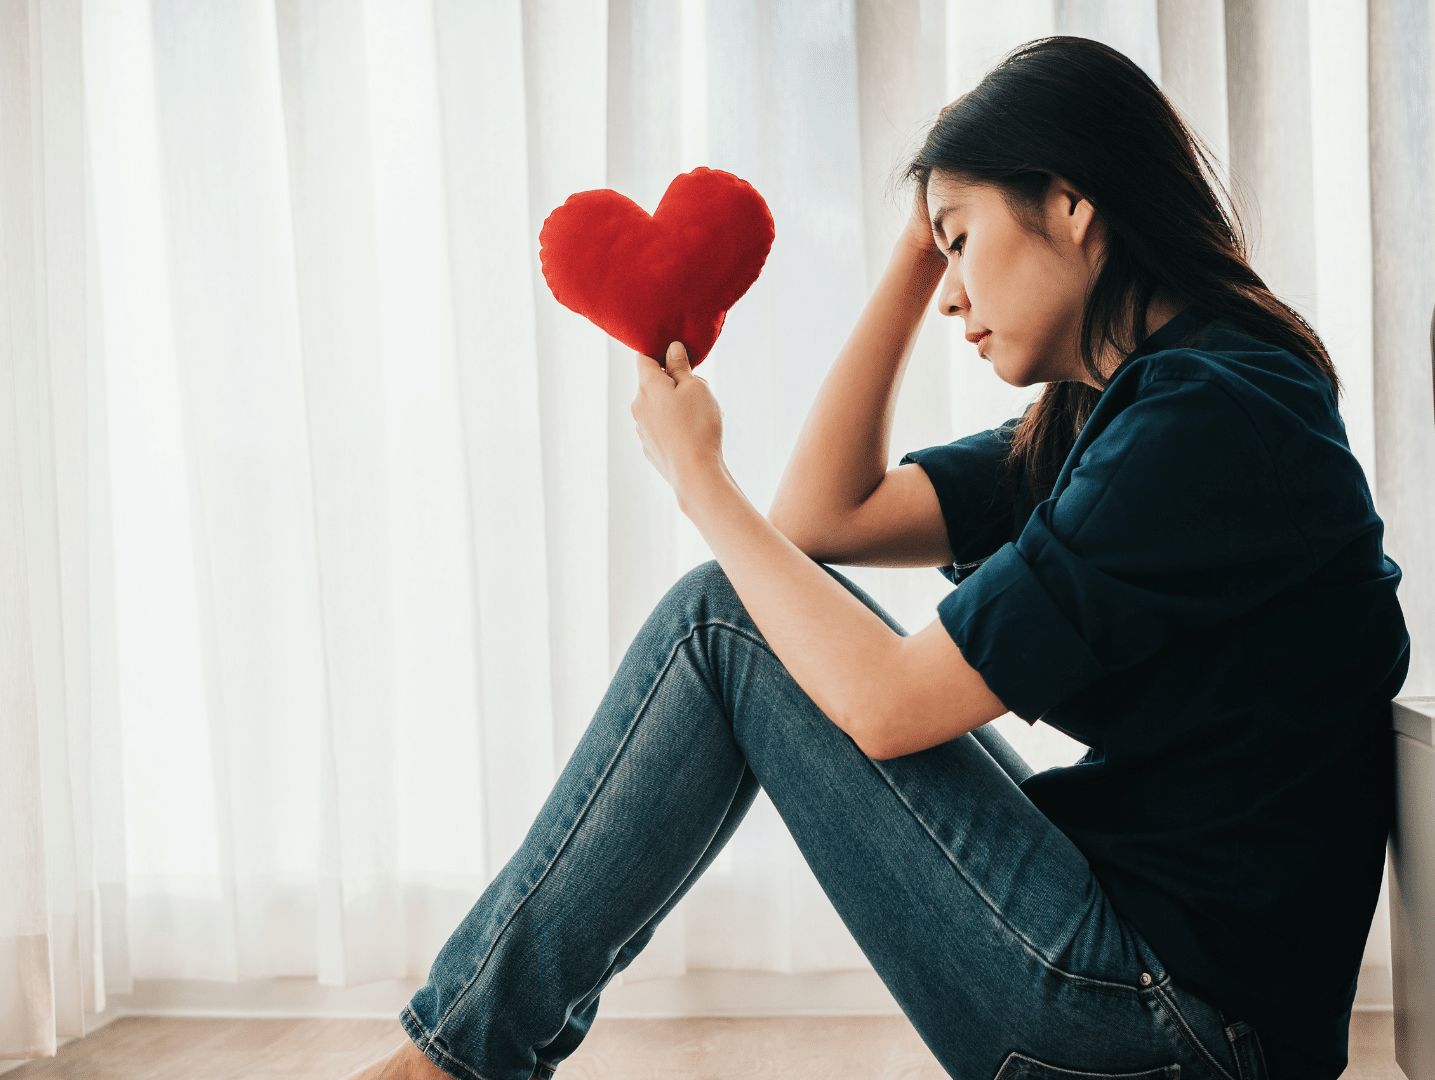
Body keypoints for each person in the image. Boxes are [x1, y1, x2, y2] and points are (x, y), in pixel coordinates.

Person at [344, 35, 1407, 1080]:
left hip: (1171, 1028)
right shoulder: (1137, 409)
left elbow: (889, 704)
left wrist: (698, 480)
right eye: (936, 254)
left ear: (1073, 205)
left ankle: (447, 1065)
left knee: (722, 621)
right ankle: (456, 1057)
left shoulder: (1199, 423)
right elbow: (824, 518)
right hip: (1170, 1001)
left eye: (960, 241)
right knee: (744, 609)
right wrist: (916, 251)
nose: (951, 293)